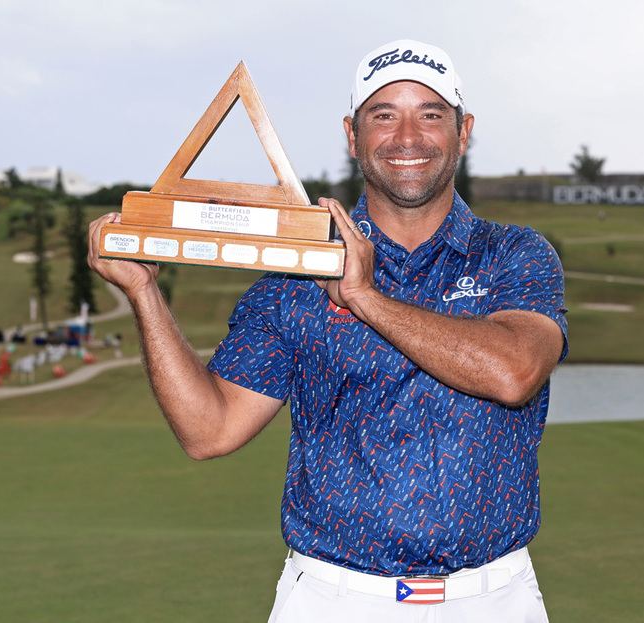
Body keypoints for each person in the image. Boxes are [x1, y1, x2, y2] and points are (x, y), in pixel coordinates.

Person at [88, 39, 567, 622]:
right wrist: (144, 293)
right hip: (332, 599)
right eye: (383, 115)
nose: (407, 137)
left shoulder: (514, 254)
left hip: (493, 600)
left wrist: (366, 299)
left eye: (431, 114)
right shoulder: (296, 275)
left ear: (464, 132)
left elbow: (514, 371)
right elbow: (209, 429)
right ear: (352, 135)